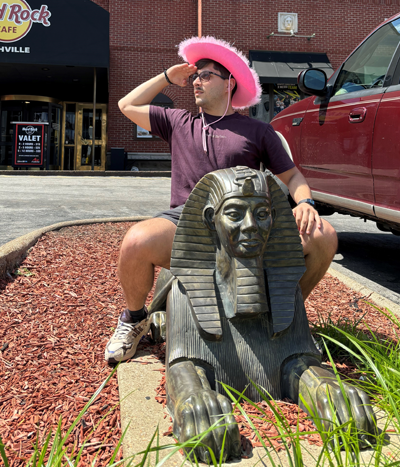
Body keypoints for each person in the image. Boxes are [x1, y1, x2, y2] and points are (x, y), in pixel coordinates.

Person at [105, 36, 338, 364]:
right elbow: (126, 106)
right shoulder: (179, 123)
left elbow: (293, 177)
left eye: (205, 75)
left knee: (324, 236)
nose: (196, 81)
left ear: (229, 83)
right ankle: (134, 320)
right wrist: (167, 77)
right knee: (136, 242)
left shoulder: (257, 131)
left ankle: (287, 315)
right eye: (195, 76)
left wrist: (305, 203)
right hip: (188, 226)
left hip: (246, 228)